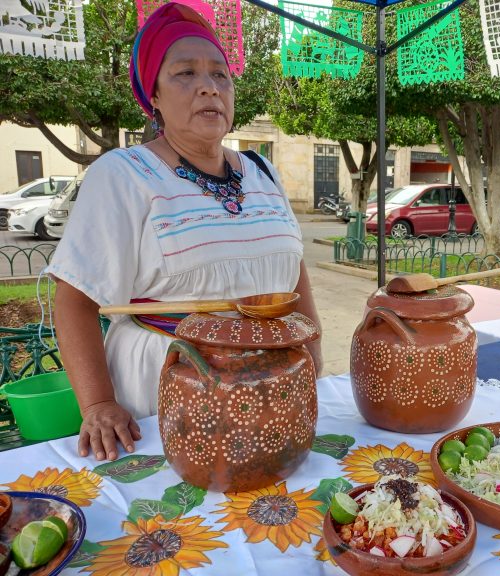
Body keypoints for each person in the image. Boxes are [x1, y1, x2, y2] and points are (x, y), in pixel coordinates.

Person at [46, 3, 322, 462]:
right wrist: (97, 404)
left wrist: (312, 361)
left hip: (275, 389)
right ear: (153, 96)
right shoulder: (124, 174)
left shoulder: (262, 172)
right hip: (171, 386)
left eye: (220, 75)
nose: (208, 87)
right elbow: (76, 298)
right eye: (185, 74)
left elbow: (294, 276)